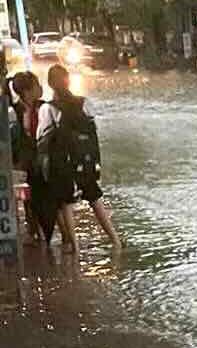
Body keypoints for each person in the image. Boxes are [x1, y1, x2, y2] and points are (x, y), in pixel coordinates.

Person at [37, 64, 122, 248]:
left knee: (66, 202)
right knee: (95, 198)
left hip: (63, 164)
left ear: (50, 84)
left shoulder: (48, 109)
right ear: (68, 80)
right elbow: (93, 130)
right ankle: (116, 241)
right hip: (86, 161)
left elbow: (42, 137)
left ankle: (74, 248)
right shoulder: (84, 103)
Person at [8, 71, 50, 245]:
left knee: (44, 197)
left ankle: (43, 231)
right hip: (25, 162)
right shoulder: (14, 112)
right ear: (26, 91)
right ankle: (34, 231)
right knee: (28, 198)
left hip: (42, 160)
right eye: (36, 86)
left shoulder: (44, 107)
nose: (40, 88)